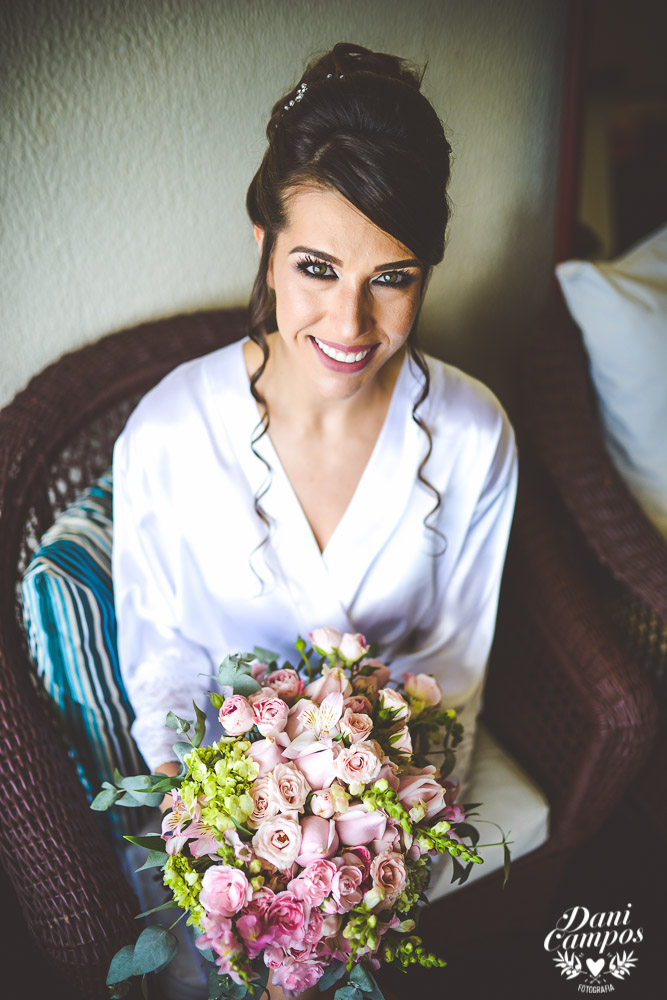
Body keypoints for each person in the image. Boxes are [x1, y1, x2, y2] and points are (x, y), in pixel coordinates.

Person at [112, 42, 518, 1000]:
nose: (349, 324)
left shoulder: (470, 435)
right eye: (317, 267)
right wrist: (229, 837)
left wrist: (367, 837)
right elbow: (160, 653)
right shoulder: (169, 431)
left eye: (393, 277)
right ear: (263, 244)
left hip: (387, 831)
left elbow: (455, 663)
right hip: (215, 843)